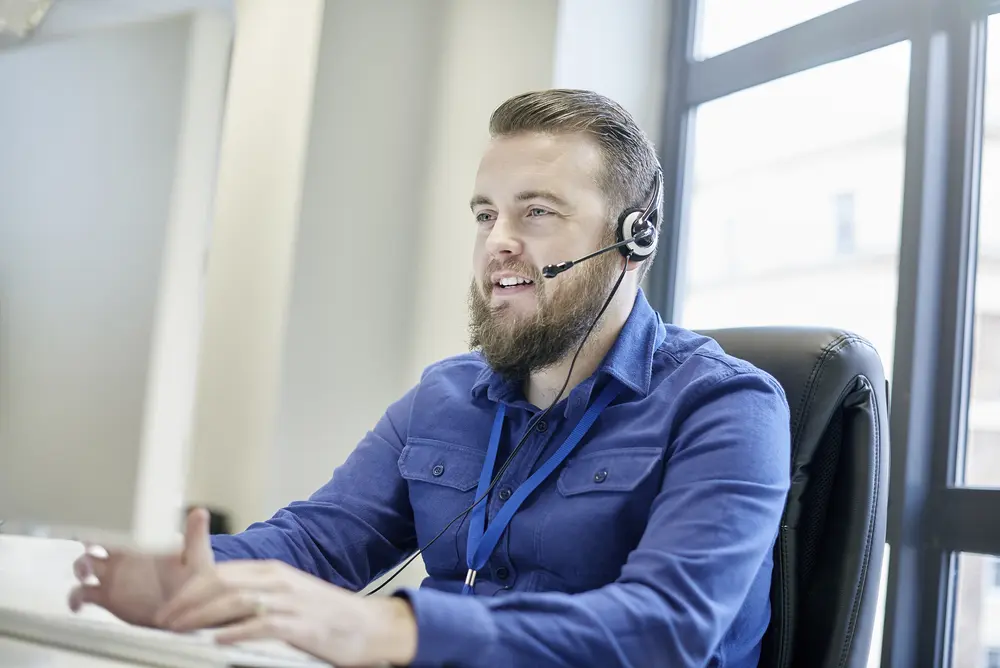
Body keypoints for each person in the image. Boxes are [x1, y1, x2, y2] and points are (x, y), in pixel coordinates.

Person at [69, 89, 791, 668]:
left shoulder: (728, 408)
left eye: (536, 212)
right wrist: (194, 574)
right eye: (486, 214)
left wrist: (392, 628)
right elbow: (320, 544)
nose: (497, 242)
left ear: (634, 239)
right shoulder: (444, 397)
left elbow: (665, 630)